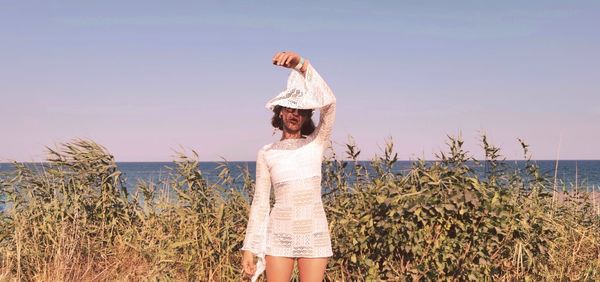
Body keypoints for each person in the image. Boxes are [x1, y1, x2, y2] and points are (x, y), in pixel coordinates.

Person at [241, 50, 336, 282]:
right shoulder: (267, 153)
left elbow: (330, 104)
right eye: (289, 108)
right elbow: (261, 201)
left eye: (300, 110)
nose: (294, 114)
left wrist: (302, 65)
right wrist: (249, 246)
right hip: (279, 234)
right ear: (280, 112)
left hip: (314, 232)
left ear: (306, 116)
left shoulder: (316, 142)